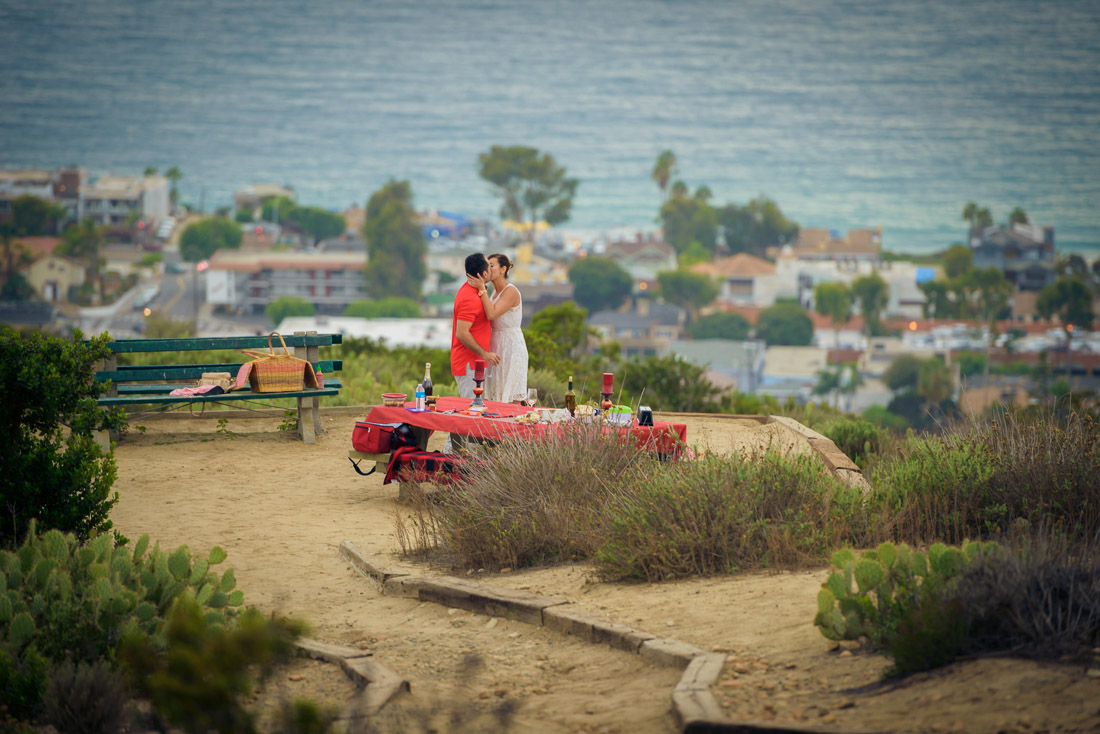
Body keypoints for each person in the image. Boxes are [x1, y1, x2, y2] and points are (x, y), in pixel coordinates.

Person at [467, 253, 528, 403]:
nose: (488, 269)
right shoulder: (494, 292)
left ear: (503, 269)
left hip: (511, 346)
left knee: (511, 393)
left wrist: (481, 289)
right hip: (495, 344)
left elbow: (492, 314)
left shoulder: (511, 291)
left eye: (492, 265)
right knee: (494, 393)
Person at [450, 253, 500, 399]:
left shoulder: (477, 292)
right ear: (484, 274)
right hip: (468, 364)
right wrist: (484, 354)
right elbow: (462, 333)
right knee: (470, 408)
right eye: (489, 267)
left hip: (475, 363)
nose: (492, 269)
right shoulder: (469, 297)